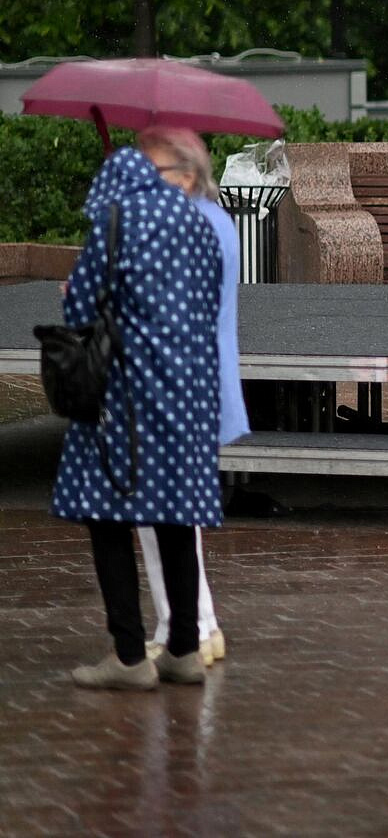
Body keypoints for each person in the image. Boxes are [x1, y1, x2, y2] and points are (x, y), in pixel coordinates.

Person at [54, 147, 223, 691]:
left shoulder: (117, 220)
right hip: (191, 393)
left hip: (126, 397)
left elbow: (80, 310)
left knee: (107, 517)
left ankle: (128, 656)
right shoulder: (200, 222)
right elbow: (209, 301)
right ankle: (185, 650)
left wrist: (85, 295)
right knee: (176, 515)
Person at [132, 127, 247, 668]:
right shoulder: (215, 222)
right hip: (197, 387)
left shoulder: (185, 226)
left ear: (185, 174)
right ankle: (198, 623)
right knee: (173, 516)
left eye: (152, 172)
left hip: (174, 389)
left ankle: (186, 627)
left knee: (161, 517)